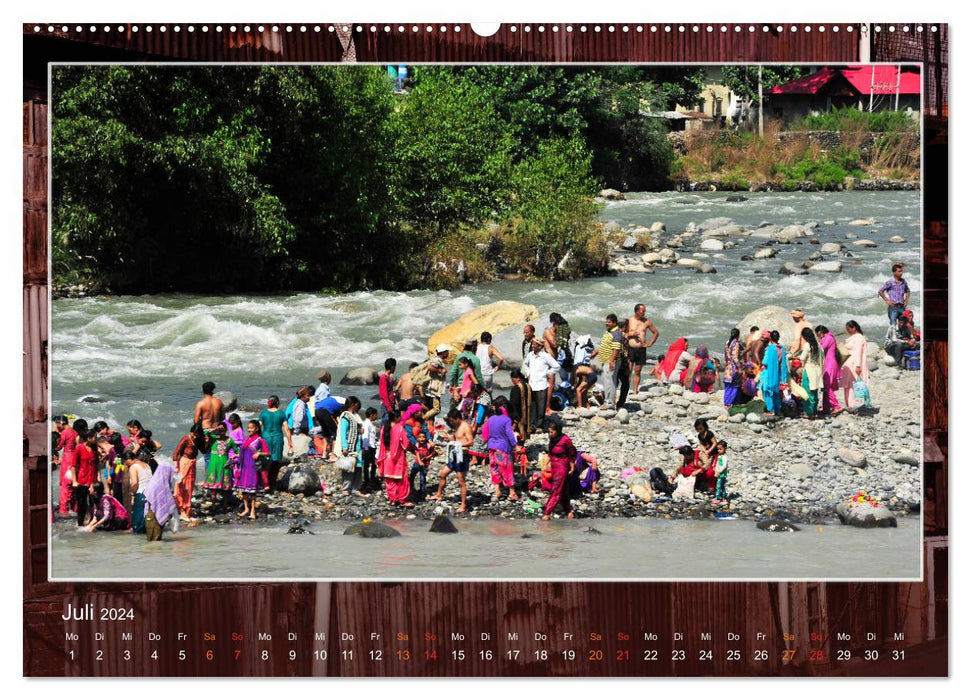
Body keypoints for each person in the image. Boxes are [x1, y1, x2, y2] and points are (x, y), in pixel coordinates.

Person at [430, 409, 473, 513]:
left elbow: (471, 441)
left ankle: (463, 505)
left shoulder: (466, 426)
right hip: (454, 454)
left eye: (452, 420)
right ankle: (438, 495)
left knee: (461, 481)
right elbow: (457, 437)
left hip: (462, 456)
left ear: (457, 418)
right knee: (443, 473)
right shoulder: (457, 426)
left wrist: (458, 444)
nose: (451, 422)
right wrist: (450, 439)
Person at [481, 399, 519, 501]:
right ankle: (512, 492)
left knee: (494, 469)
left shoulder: (491, 419)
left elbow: (484, 433)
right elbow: (509, 434)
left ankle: (497, 490)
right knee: (508, 469)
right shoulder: (506, 420)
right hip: (503, 448)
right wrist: (515, 445)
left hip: (492, 447)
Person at [542, 417, 577, 520]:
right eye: (549, 432)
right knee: (564, 489)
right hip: (554, 465)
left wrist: (572, 466)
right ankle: (569, 511)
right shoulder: (553, 439)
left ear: (558, 430)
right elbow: (551, 452)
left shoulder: (565, 439)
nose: (550, 434)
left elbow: (572, 453)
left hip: (562, 466)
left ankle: (547, 513)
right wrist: (546, 463)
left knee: (556, 489)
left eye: (552, 432)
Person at [376, 410, 413, 507]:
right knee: (401, 479)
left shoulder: (384, 427)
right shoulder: (399, 428)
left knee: (389, 480)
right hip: (398, 458)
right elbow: (406, 444)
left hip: (386, 456)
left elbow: (382, 442)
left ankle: (393, 499)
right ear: (396, 418)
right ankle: (402, 500)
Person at [522, 337, 560, 431]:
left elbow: (556, 366)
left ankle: (540, 425)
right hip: (531, 384)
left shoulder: (545, 356)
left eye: (535, 344)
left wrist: (547, 373)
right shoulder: (530, 355)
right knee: (532, 405)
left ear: (540, 346)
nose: (533, 346)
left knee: (541, 406)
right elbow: (525, 364)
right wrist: (528, 374)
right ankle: (532, 425)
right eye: (533, 344)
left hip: (542, 384)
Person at [171, 423, 203, 520]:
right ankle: (180, 509)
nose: (195, 436)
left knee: (189, 487)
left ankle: (186, 509)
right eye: (194, 434)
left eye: (197, 434)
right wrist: (176, 465)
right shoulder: (186, 439)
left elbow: (204, 450)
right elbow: (176, 452)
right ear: (191, 432)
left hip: (192, 464)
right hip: (184, 463)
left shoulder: (197, 440)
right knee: (181, 486)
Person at [237, 421, 269, 519]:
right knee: (244, 490)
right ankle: (246, 509)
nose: (249, 430)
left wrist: (259, 454)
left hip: (253, 468)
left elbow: (267, 453)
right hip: (244, 467)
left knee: (252, 491)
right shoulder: (246, 439)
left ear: (257, 429)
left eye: (251, 428)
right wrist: (237, 456)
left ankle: (253, 511)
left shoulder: (260, 440)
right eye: (248, 428)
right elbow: (243, 452)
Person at [142, 461, 179, 542]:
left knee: (155, 540)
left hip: (155, 514)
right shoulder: (157, 485)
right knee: (154, 541)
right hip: (152, 515)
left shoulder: (160, 483)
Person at [335, 396, 365, 496]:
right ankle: (346, 488)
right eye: (356, 404)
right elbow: (343, 433)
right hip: (350, 446)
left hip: (357, 446)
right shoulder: (346, 417)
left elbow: (354, 429)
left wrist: (359, 431)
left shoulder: (354, 416)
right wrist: (344, 447)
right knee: (348, 468)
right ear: (352, 404)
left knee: (357, 468)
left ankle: (355, 488)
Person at [627, 304, 659, 393]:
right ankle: (626, 389)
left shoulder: (647, 322)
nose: (644, 313)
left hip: (641, 349)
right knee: (628, 370)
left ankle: (635, 390)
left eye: (645, 311)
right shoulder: (630, 320)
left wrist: (650, 344)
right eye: (643, 311)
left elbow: (656, 332)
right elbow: (624, 333)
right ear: (637, 311)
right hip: (630, 348)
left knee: (637, 370)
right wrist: (631, 334)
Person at [258, 395, 289, 488]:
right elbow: (286, 429)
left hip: (266, 438)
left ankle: (265, 482)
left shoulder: (263, 413)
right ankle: (272, 482)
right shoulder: (281, 413)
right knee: (276, 460)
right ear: (278, 403)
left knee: (265, 460)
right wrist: (290, 442)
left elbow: (258, 427)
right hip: (277, 438)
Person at [595, 314, 624, 408]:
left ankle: (610, 403)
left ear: (615, 323)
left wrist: (612, 361)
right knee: (606, 381)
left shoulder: (616, 333)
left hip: (611, 361)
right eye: (606, 321)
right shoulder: (608, 331)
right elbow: (604, 344)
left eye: (609, 322)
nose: (606, 323)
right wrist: (596, 352)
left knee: (610, 382)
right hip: (605, 361)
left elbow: (616, 349)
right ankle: (607, 401)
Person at [840, 320, 869, 412]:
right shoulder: (853, 338)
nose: (848, 331)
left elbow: (857, 352)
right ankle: (849, 404)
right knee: (847, 385)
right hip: (848, 363)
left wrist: (858, 365)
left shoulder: (859, 338)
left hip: (854, 363)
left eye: (849, 329)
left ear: (854, 328)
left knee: (853, 384)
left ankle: (853, 405)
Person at [815, 325, 843, 416]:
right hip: (828, 364)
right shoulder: (829, 337)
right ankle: (826, 408)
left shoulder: (828, 338)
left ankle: (836, 406)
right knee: (825, 387)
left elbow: (821, 348)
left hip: (830, 365)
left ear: (820, 332)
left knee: (827, 387)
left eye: (817, 334)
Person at [53, 416, 78, 516]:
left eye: (57, 424)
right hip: (74, 457)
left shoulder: (64, 433)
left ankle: (63, 510)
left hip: (67, 458)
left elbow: (58, 447)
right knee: (72, 483)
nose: (56, 426)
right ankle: (74, 507)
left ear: (61, 423)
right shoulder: (74, 431)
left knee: (64, 484)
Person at [202, 423, 238, 494]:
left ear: (226, 430)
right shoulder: (214, 438)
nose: (221, 432)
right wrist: (214, 429)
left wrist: (234, 457)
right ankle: (214, 504)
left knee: (225, 488)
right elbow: (203, 433)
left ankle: (225, 504)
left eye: (223, 430)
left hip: (224, 465)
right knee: (213, 489)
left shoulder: (230, 440)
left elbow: (237, 451)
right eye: (219, 430)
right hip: (214, 466)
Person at [797, 326, 824, 417]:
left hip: (809, 370)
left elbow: (802, 358)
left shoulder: (807, 345)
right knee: (814, 391)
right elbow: (822, 357)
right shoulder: (818, 345)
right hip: (817, 369)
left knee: (807, 391)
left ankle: (808, 412)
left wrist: (793, 357)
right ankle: (814, 411)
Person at [72, 429, 97, 527]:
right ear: (89, 438)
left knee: (93, 502)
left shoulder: (95, 448)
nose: (96, 438)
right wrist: (74, 480)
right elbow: (73, 465)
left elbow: (96, 464)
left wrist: (98, 477)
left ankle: (91, 521)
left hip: (93, 480)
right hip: (82, 479)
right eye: (94, 437)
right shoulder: (79, 448)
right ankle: (80, 523)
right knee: (81, 503)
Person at [125, 450, 153, 533]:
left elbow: (135, 483)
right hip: (150, 493)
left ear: (128, 459)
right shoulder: (146, 465)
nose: (126, 464)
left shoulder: (133, 467)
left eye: (125, 462)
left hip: (140, 493)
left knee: (138, 521)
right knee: (147, 517)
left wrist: (132, 495)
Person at [760, 331, 785, 416]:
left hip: (768, 373)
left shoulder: (769, 348)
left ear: (770, 338)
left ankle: (771, 410)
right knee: (775, 391)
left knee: (767, 390)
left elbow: (765, 362)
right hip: (777, 373)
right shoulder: (781, 348)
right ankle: (777, 409)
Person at [878, 262, 911, 327]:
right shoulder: (890, 282)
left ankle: (903, 336)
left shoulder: (903, 281)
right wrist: (887, 300)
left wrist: (906, 300)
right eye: (899, 271)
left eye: (901, 271)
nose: (901, 273)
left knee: (905, 323)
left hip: (902, 306)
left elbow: (908, 291)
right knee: (893, 324)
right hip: (893, 307)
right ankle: (892, 336)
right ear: (894, 272)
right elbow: (880, 291)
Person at [285, 386, 314, 458]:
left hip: (299, 429)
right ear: (302, 396)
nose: (309, 397)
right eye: (307, 396)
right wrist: (297, 432)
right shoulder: (300, 405)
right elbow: (298, 420)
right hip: (299, 430)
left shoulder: (299, 403)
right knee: (299, 446)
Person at [571, 335, 598, 409]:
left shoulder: (575, 367)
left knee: (578, 389)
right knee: (584, 390)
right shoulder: (581, 364)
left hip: (590, 375)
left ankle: (579, 406)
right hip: (593, 375)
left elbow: (575, 382)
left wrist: (573, 385)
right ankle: (587, 405)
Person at [409, 430, 436, 502]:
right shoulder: (416, 445)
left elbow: (433, 453)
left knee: (422, 478)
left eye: (423, 437)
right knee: (412, 475)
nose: (422, 439)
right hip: (417, 463)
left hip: (425, 464)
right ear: (417, 438)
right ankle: (411, 487)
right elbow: (417, 453)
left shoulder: (428, 445)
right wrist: (420, 461)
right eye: (420, 437)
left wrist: (426, 458)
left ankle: (422, 492)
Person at [313, 370, 334, 455]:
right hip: (323, 411)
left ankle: (325, 452)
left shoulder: (320, 388)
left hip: (318, 411)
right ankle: (331, 452)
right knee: (331, 432)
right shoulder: (324, 389)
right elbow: (324, 403)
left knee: (326, 432)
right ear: (329, 379)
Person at [723, 328, 743, 407]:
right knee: (735, 386)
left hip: (727, 367)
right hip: (733, 369)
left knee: (728, 387)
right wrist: (739, 367)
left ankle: (726, 403)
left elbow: (725, 357)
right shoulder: (736, 343)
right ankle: (731, 403)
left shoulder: (727, 343)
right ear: (738, 335)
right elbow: (735, 357)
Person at [361, 407, 380, 488]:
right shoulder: (366, 424)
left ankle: (371, 477)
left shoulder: (370, 424)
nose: (376, 416)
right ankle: (367, 479)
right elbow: (365, 437)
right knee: (367, 464)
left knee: (373, 464)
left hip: (372, 446)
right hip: (368, 447)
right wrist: (366, 449)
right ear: (372, 415)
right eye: (376, 415)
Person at [615, 318, 633, 407]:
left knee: (614, 383)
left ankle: (609, 401)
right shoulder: (623, 338)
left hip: (612, 363)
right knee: (625, 383)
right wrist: (628, 368)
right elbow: (625, 353)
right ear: (624, 326)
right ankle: (620, 403)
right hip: (621, 364)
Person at [507, 369, 528, 438]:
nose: (512, 381)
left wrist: (515, 420)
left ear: (518, 378)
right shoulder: (527, 386)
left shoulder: (516, 389)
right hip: (527, 415)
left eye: (513, 379)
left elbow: (513, 404)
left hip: (518, 416)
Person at [378, 358, 398, 424]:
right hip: (386, 405)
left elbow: (390, 392)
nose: (395, 369)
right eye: (395, 367)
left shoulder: (388, 377)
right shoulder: (384, 378)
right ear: (392, 367)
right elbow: (384, 394)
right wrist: (389, 407)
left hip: (390, 404)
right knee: (385, 423)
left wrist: (395, 400)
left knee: (389, 423)